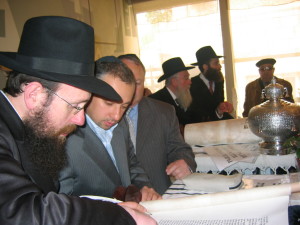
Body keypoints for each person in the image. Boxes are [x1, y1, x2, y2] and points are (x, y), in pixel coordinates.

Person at [0, 16, 156, 224]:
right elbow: (24, 211)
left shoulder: (29, 129)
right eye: (75, 106)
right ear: (34, 95)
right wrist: (119, 216)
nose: (80, 120)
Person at [59, 56, 161, 201]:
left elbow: (131, 164)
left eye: (124, 106)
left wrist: (143, 187)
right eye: (109, 103)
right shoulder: (64, 137)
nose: (117, 116)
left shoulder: (121, 124)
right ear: (88, 93)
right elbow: (62, 205)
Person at [118, 54, 197, 195]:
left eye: (137, 83)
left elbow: (179, 148)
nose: (132, 90)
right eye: (126, 82)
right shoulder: (100, 114)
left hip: (157, 196)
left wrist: (184, 162)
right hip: (114, 202)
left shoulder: (164, 112)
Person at [149, 57, 194, 135]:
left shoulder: (187, 97)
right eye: (186, 78)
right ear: (174, 82)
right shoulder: (155, 101)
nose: (190, 82)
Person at [188, 46, 234, 123]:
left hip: (219, 124)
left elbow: (219, 104)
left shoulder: (219, 80)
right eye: (216, 63)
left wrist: (224, 107)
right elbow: (195, 115)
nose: (220, 66)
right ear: (205, 67)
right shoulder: (191, 85)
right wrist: (218, 111)